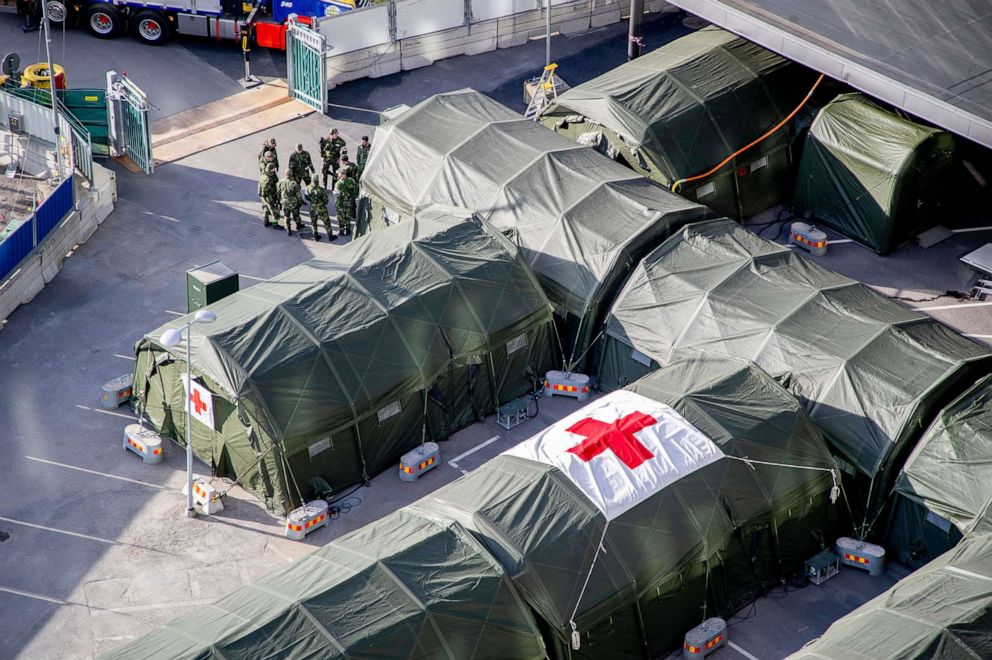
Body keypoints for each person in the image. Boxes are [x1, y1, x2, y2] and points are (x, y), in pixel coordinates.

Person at [277, 168, 302, 236]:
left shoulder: (280, 182)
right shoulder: (294, 183)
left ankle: (288, 229)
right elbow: (298, 195)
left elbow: (278, 193)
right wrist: (299, 202)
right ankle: (298, 226)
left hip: (285, 203)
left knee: (286, 216)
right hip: (294, 203)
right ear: (291, 174)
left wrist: (279, 201)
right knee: (296, 216)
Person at [333, 169, 358, 236]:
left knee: (340, 217)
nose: (338, 174)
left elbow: (336, 194)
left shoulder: (338, 183)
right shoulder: (351, 180)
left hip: (340, 204)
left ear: (341, 174)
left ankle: (341, 231)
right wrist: (352, 197)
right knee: (347, 216)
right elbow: (355, 189)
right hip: (348, 202)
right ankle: (348, 230)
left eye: (339, 173)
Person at [258, 162, 281, 228]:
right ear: (271, 169)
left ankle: (266, 222)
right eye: (274, 169)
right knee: (274, 211)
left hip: (263, 196)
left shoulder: (264, 173)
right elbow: (266, 190)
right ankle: (275, 224)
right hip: (269, 196)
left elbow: (259, 184)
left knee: (266, 208)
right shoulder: (269, 179)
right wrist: (271, 198)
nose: (275, 170)